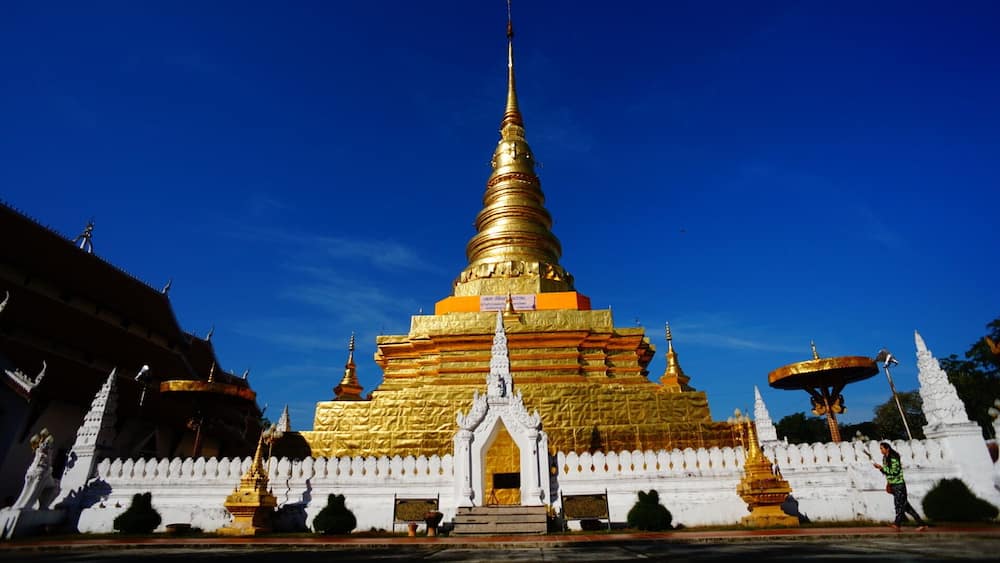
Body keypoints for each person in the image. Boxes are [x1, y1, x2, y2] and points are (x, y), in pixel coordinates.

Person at [873, 442, 928, 531]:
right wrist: (888, 482)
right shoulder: (885, 458)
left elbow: (895, 471)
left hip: (899, 484)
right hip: (893, 484)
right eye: (880, 449)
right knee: (905, 505)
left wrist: (881, 468)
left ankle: (897, 524)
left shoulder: (893, 458)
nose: (881, 450)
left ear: (887, 449)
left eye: (882, 448)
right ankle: (921, 523)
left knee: (898, 504)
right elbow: (887, 473)